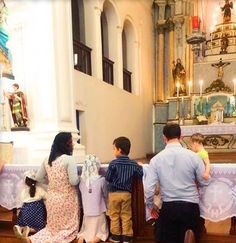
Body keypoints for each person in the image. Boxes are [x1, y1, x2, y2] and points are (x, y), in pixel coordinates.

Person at [144, 123, 210, 243]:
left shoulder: (156, 160)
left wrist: (151, 206)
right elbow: (204, 182)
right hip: (191, 207)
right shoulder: (194, 157)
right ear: (181, 137)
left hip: (168, 207)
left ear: (164, 138)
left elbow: (148, 189)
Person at [22, 132, 80, 243]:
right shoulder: (69, 159)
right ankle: (54, 241)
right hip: (67, 200)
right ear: (65, 144)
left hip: (52, 199)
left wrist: (51, 181)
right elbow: (73, 182)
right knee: (68, 229)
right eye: (71, 141)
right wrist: (81, 179)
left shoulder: (47, 159)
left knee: (51, 229)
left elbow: (38, 177)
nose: (73, 144)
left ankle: (31, 239)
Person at [105, 136, 143, 243]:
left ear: (119, 150)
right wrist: (140, 166)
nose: (113, 151)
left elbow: (108, 178)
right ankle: (127, 236)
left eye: (114, 149)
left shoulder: (113, 163)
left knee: (114, 215)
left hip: (114, 194)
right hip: (126, 194)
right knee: (126, 215)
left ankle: (116, 236)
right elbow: (140, 175)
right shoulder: (133, 163)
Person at [77, 154, 109, 243]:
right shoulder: (101, 180)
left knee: (85, 230)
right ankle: (96, 239)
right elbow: (106, 195)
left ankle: (82, 237)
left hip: (86, 212)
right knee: (102, 231)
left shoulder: (81, 181)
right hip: (98, 212)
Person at [13, 170, 47, 239]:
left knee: (22, 222)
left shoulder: (24, 191)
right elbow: (47, 197)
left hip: (25, 212)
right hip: (36, 214)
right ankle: (30, 230)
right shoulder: (40, 189)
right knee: (39, 227)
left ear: (26, 182)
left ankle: (20, 228)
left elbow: (20, 203)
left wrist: (17, 213)